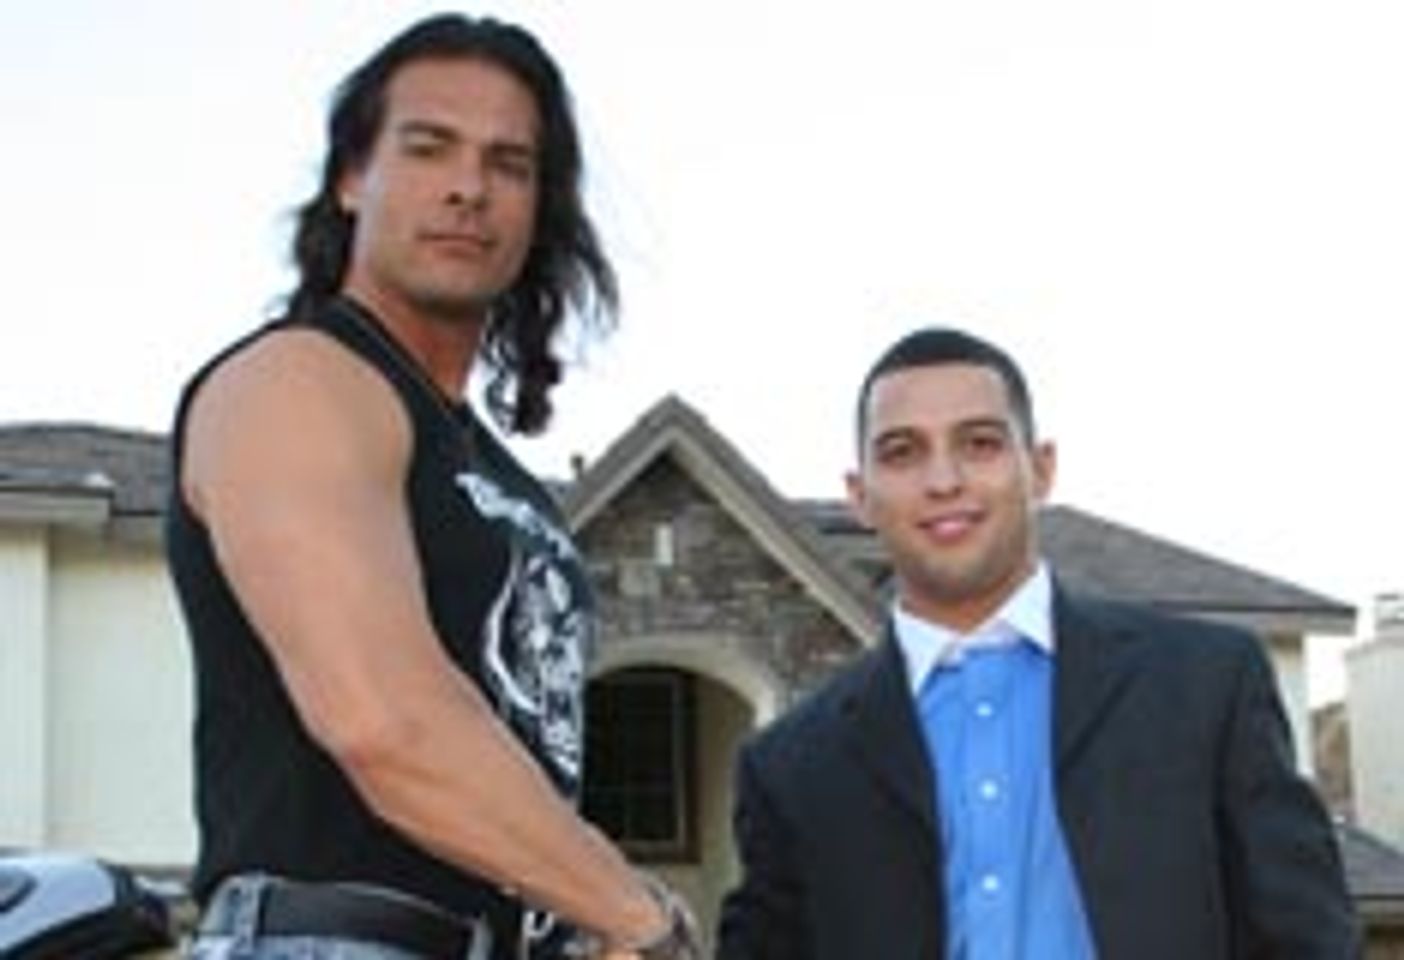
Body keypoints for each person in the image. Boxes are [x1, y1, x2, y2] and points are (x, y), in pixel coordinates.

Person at [166, 13, 698, 960]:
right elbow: (386, 720)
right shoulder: (298, 383)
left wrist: (599, 911)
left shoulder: (496, 474)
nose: (467, 187)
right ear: (351, 178)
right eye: (428, 148)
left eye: (508, 164)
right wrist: (640, 916)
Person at [716, 327, 1361, 959]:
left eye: (980, 443)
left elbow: (1310, 940)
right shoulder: (791, 766)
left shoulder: (1205, 687)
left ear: (1041, 469)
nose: (944, 480)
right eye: (902, 452)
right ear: (860, 496)